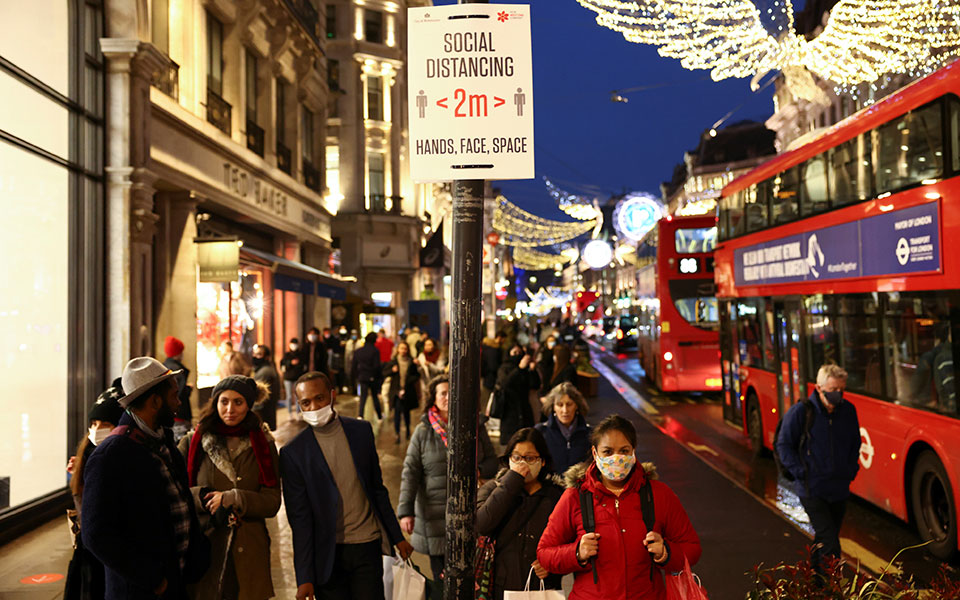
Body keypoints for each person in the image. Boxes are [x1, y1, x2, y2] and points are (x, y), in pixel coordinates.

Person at [81, 357, 210, 599]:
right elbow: (95, 534)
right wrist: (153, 579)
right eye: (174, 395)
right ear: (155, 401)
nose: (179, 402)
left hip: (175, 585)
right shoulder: (110, 456)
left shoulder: (165, 443)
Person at [279, 371, 413, 600]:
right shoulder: (294, 453)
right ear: (299, 405)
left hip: (366, 545)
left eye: (319, 398)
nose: (313, 407)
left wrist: (396, 536)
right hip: (328, 555)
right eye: (305, 403)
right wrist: (304, 577)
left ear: (332, 396)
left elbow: (376, 488)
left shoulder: (360, 432)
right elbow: (300, 521)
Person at [537, 415, 701, 599]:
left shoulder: (658, 494)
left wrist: (666, 552)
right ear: (595, 453)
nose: (617, 459)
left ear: (633, 452)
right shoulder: (575, 497)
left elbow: (692, 547)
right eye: (608, 452)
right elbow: (545, 553)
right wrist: (576, 553)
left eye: (624, 451)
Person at [178, 375, 281, 600]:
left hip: (249, 549)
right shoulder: (192, 442)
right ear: (215, 402)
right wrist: (202, 496)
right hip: (206, 546)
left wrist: (236, 498)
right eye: (224, 401)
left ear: (249, 405)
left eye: (238, 402)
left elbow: (273, 501)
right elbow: (176, 493)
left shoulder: (263, 444)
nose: (230, 409)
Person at [398, 374, 498, 581]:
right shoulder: (423, 431)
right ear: (433, 398)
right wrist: (405, 512)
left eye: (452, 392)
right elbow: (411, 472)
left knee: (472, 576)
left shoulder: (475, 426)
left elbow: (493, 463)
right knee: (442, 578)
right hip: (435, 516)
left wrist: (476, 471)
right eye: (442, 393)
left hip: (471, 512)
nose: (447, 397)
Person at [775, 364, 861, 571]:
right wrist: (801, 472)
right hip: (812, 489)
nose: (838, 394)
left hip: (839, 488)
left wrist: (850, 469)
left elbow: (854, 442)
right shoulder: (801, 412)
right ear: (820, 388)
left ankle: (814, 582)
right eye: (833, 390)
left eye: (842, 389)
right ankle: (829, 588)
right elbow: (783, 444)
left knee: (824, 537)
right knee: (831, 542)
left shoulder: (848, 411)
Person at [476, 428, 564, 600]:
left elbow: (571, 542)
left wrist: (553, 563)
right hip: (500, 588)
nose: (522, 464)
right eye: (517, 458)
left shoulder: (556, 497)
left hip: (542, 588)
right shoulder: (494, 489)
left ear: (542, 461)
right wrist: (512, 481)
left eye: (530, 458)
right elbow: (481, 524)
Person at [64, 380, 124, 600]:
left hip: (109, 554)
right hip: (87, 555)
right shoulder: (84, 457)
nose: (97, 430)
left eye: (105, 423)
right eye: (94, 423)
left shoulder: (120, 459)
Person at [536, 382, 591, 475]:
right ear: (553, 407)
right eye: (560, 405)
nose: (565, 410)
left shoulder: (590, 433)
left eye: (569, 404)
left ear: (576, 406)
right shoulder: (541, 432)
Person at [494, 344, 541, 442]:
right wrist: (519, 368)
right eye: (514, 352)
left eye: (519, 353)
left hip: (525, 409)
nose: (517, 355)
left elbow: (535, 385)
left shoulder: (526, 369)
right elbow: (505, 384)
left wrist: (532, 370)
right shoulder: (504, 368)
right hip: (509, 410)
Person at [382, 341, 420, 443]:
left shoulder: (411, 362)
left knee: (407, 413)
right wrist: (392, 371)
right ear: (398, 349)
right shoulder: (393, 362)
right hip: (396, 392)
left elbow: (417, 375)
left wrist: (409, 380)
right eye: (401, 348)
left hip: (407, 391)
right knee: (397, 413)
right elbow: (384, 373)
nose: (403, 351)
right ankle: (397, 434)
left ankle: (408, 432)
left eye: (405, 349)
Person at [163, 336, 193, 441]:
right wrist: (188, 389)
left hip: (169, 415)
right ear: (178, 353)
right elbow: (178, 394)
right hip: (180, 415)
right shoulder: (177, 371)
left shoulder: (164, 366)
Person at [352, 332, 383, 420]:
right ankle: (379, 416)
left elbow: (354, 366)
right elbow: (377, 366)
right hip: (372, 377)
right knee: (374, 397)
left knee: (363, 396)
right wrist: (378, 378)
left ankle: (360, 414)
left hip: (362, 377)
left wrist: (357, 376)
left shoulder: (358, 351)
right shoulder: (375, 351)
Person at [251, 344, 281, 431]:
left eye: (259, 354)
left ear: (267, 357)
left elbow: (259, 394)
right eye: (255, 354)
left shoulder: (265, 371)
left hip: (263, 412)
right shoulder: (262, 369)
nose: (255, 356)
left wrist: (255, 411)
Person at [281, 338, 306, 414]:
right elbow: (283, 365)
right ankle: (289, 411)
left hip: (297, 378)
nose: (294, 346)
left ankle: (298, 411)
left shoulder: (301, 355)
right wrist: (291, 363)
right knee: (288, 396)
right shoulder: (287, 355)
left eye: (295, 344)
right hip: (288, 378)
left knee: (297, 395)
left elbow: (303, 366)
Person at [481, 332, 505, 410]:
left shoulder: (487, 347)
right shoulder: (494, 350)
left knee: (486, 399)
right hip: (491, 378)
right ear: (499, 337)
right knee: (487, 400)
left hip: (486, 377)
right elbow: (493, 366)